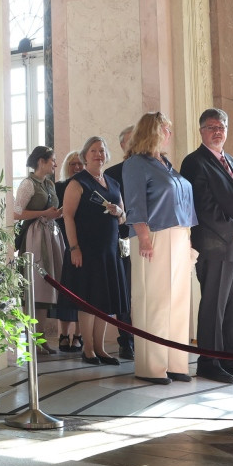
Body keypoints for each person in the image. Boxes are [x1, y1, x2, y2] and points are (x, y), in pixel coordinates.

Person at [179, 108, 233, 384]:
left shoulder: (232, 160)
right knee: (214, 306)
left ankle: (232, 360)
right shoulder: (194, 162)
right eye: (212, 126)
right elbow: (203, 206)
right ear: (201, 130)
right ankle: (209, 362)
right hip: (215, 246)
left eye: (222, 126)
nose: (218, 131)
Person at [122, 112, 197, 385]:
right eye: (166, 128)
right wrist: (143, 236)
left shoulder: (165, 163)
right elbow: (134, 202)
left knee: (178, 301)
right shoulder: (135, 164)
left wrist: (188, 238)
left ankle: (175, 363)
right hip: (152, 235)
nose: (169, 134)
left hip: (178, 235)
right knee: (154, 301)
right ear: (153, 131)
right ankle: (151, 366)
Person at [61, 136, 129, 365]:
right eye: (93, 150)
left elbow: (123, 218)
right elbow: (68, 216)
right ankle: (88, 349)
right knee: (88, 300)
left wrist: (118, 211)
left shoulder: (113, 183)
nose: (98, 154)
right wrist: (74, 248)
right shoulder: (78, 182)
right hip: (86, 250)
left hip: (109, 250)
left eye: (101, 150)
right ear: (85, 155)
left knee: (105, 302)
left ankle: (101, 348)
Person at [14, 146, 66, 355]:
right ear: (41, 161)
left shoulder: (49, 184)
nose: (54, 164)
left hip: (50, 235)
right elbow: (16, 213)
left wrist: (58, 213)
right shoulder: (28, 184)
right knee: (35, 286)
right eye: (52, 160)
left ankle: (41, 338)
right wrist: (44, 212)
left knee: (46, 288)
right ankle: (32, 337)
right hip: (34, 237)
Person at [104, 125, 136, 361]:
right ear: (123, 146)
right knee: (125, 293)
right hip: (124, 240)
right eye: (131, 141)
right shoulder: (112, 174)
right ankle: (126, 341)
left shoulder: (155, 168)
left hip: (153, 239)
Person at [54, 149, 86, 352]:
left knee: (84, 292)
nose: (76, 167)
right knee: (67, 290)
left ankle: (79, 335)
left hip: (86, 242)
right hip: (65, 241)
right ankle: (64, 334)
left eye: (79, 164)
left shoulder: (89, 186)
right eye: (72, 164)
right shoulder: (59, 187)